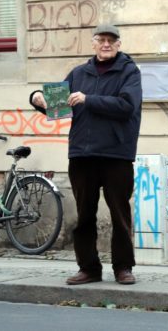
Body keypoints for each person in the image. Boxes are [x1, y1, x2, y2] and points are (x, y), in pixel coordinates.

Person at [29, 24, 142, 285]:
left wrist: (88, 99)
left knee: (119, 214)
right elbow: (57, 105)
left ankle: (123, 268)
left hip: (116, 154)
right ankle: (89, 268)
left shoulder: (129, 72)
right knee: (84, 215)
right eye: (101, 40)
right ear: (93, 43)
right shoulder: (79, 73)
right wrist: (36, 98)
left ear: (118, 44)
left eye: (111, 41)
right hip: (82, 154)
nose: (106, 44)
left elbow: (127, 106)